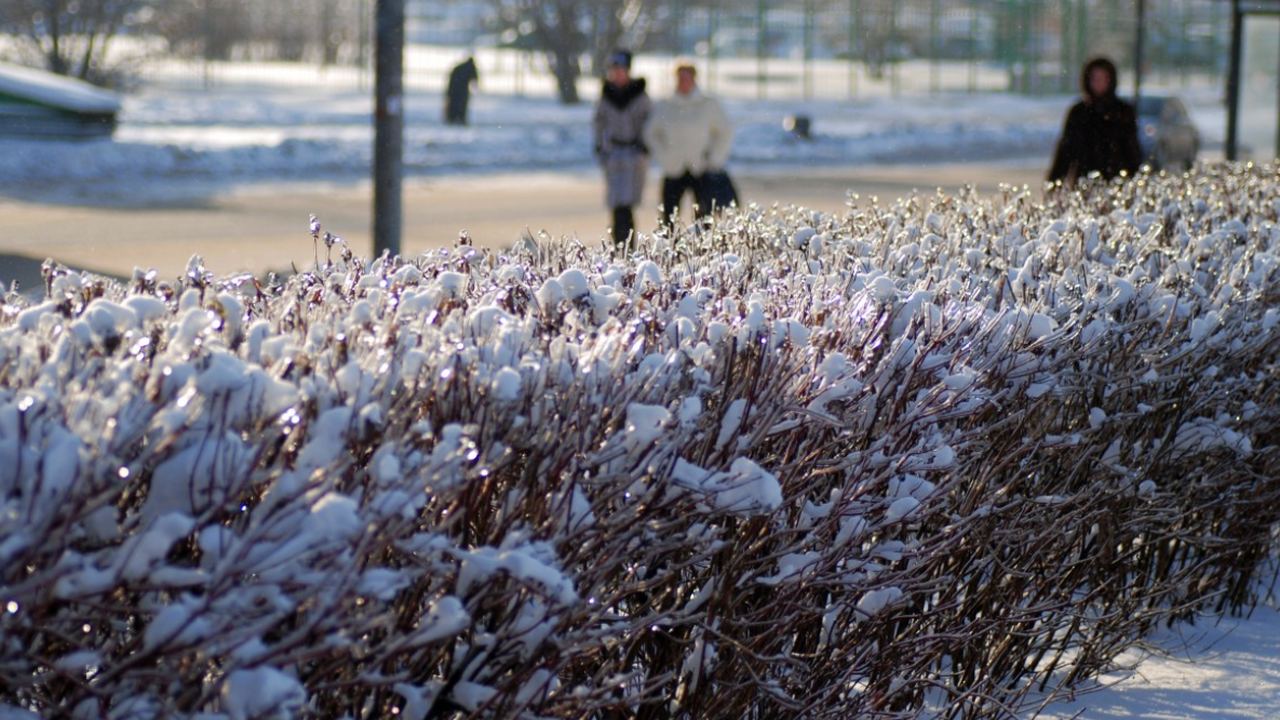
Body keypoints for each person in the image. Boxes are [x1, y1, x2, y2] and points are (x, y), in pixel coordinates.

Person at [643, 58, 735, 227]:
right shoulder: (665, 106)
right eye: (680, 77)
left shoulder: (708, 105)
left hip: (700, 168)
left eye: (687, 77)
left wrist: (714, 159)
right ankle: (672, 250)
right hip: (673, 168)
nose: (684, 82)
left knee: (704, 217)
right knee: (669, 219)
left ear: (694, 78)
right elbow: (650, 133)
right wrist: (664, 156)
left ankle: (702, 250)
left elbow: (725, 131)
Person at [1047, 56, 1142, 186]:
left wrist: (1134, 180)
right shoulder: (1079, 112)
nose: (1098, 83)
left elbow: (1132, 150)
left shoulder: (1122, 112)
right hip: (1084, 183)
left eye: (1103, 78)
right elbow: (1066, 151)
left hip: (1116, 183)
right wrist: (1054, 183)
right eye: (1094, 78)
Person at [592, 50, 651, 247]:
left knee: (627, 205)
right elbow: (598, 123)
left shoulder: (639, 95)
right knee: (616, 203)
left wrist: (644, 145)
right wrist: (600, 145)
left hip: (634, 154)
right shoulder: (606, 96)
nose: (617, 74)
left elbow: (649, 123)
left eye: (621, 70)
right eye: (614, 70)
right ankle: (618, 244)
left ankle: (628, 247)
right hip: (614, 153)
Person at [445, 57, 479, 126]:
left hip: (454, 87)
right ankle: (461, 118)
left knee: (454, 103)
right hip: (462, 88)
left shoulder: (459, 67)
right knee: (462, 103)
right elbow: (475, 77)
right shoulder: (471, 67)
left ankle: (452, 118)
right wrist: (475, 87)